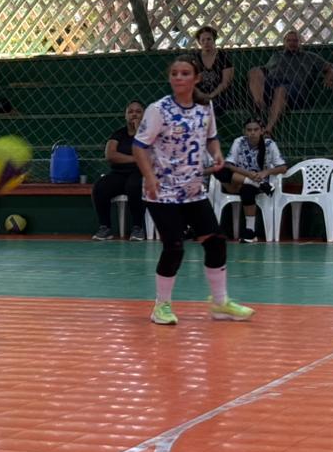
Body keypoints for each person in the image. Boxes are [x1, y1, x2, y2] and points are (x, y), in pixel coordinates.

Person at [133, 55, 254, 326]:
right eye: (174, 73)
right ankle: (161, 307)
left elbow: (211, 137)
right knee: (174, 247)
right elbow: (139, 146)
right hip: (162, 191)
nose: (179, 77)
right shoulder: (158, 109)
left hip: (193, 191)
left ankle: (220, 303)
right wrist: (149, 177)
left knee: (216, 241)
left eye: (185, 73)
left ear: (196, 78)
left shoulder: (204, 107)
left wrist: (217, 153)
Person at [247, 29, 333, 135]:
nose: (292, 43)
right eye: (289, 40)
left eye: (295, 41)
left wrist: (330, 74)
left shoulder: (309, 56)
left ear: (300, 42)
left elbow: (332, 66)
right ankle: (260, 106)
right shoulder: (277, 55)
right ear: (284, 42)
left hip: (295, 90)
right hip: (272, 85)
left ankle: (268, 129)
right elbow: (265, 69)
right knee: (254, 71)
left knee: (281, 90)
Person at [216, 118, 288, 243]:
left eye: (256, 130)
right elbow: (229, 165)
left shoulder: (269, 144)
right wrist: (249, 175)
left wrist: (266, 172)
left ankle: (250, 231)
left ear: (262, 131)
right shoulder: (239, 142)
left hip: (254, 183)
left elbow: (283, 167)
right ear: (244, 131)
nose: (252, 133)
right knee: (220, 169)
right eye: (249, 130)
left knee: (247, 190)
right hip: (239, 180)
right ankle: (256, 183)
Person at [92, 100, 147, 241]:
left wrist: (139, 131)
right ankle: (105, 227)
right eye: (130, 111)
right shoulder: (119, 134)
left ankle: (137, 227)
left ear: (144, 115)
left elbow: (149, 155)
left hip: (140, 173)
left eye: (138, 111)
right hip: (119, 173)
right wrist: (135, 158)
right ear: (125, 115)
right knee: (100, 187)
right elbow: (110, 155)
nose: (134, 114)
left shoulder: (149, 134)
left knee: (134, 185)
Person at [191, 26, 233, 111]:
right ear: (199, 42)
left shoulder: (222, 56)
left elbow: (226, 82)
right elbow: (191, 81)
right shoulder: (195, 57)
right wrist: (201, 95)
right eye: (203, 40)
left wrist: (211, 96)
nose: (206, 42)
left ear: (214, 40)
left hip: (219, 95)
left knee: (214, 106)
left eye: (209, 39)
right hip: (199, 95)